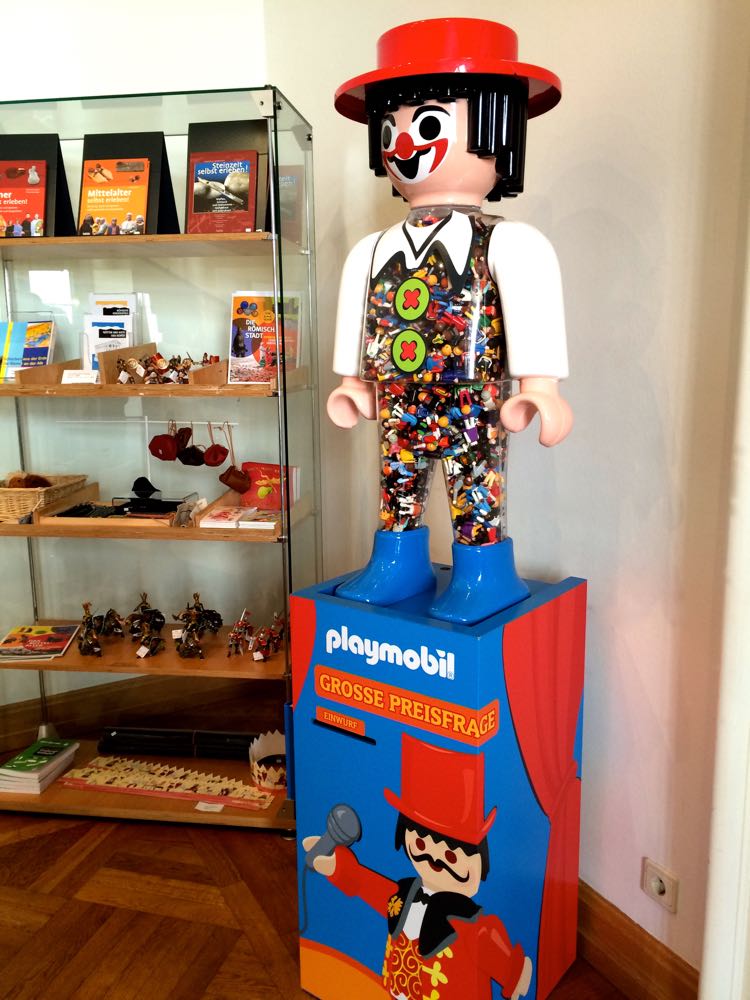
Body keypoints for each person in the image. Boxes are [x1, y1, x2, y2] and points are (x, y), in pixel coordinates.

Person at [327, 18, 571, 625]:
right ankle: (398, 563)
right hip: (396, 396)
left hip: (474, 396)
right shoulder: (372, 249)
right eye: (392, 128)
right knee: (396, 484)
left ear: (497, 131)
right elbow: (354, 314)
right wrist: (352, 382)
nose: (406, 144)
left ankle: (485, 574)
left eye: (429, 124)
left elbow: (534, 305)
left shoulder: (507, 242)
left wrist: (540, 387)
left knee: (475, 489)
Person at [303, 733, 533, 1000]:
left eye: (451, 856)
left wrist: (514, 974)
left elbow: (511, 969)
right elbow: (366, 885)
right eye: (421, 844)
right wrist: (336, 864)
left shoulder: (474, 926)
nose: (435, 859)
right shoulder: (403, 896)